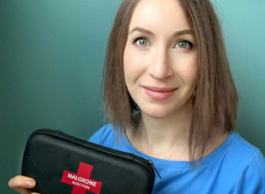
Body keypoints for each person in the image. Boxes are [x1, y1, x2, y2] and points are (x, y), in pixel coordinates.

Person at [9, 0, 265, 193]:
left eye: (183, 44)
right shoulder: (103, 143)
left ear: (207, 58)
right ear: (119, 51)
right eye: (142, 41)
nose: (159, 70)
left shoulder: (247, 173)